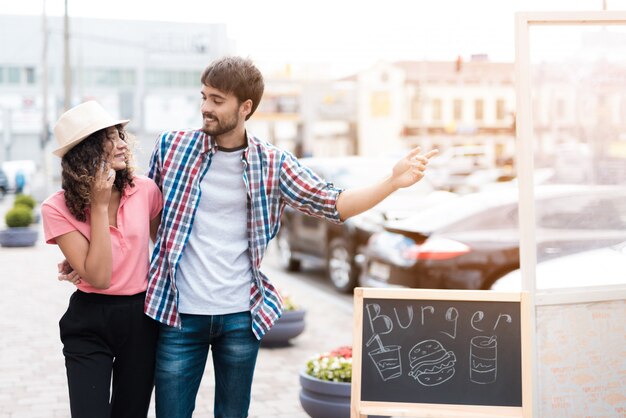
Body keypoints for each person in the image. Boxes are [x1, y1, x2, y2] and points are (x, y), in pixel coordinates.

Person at [144, 56, 438, 418]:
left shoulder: (273, 163)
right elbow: (145, 211)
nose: (205, 108)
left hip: (240, 316)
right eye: (204, 96)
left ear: (245, 107)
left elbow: (335, 203)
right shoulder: (171, 148)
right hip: (178, 313)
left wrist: (392, 183)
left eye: (217, 100)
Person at [42, 101, 163, 418]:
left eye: (120, 134)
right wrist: (97, 205)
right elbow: (99, 277)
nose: (123, 143)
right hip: (89, 321)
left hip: (141, 318)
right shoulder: (55, 208)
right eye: (110, 137)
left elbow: (165, 246)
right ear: (86, 150)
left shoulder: (147, 190)